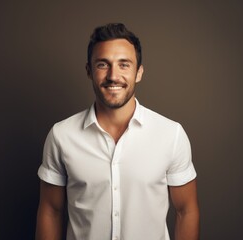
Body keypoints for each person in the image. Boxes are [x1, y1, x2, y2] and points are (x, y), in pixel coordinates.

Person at [35, 23, 199, 240]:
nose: (113, 76)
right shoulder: (61, 136)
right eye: (103, 64)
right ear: (89, 71)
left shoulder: (171, 134)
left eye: (124, 65)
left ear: (138, 72)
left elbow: (186, 210)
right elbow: (51, 211)